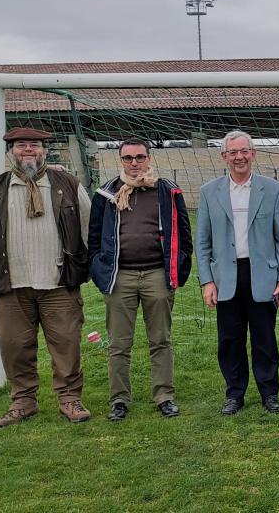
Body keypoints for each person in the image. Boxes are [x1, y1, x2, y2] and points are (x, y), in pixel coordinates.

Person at [0, 128, 92, 427]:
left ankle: (70, 399)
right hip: (11, 284)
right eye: (21, 145)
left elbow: (90, 229)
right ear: (11, 151)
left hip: (59, 282)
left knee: (67, 345)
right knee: (14, 346)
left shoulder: (68, 184)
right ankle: (23, 402)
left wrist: (95, 267)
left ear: (44, 150)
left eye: (34, 145)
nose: (28, 150)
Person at [89, 138, 193, 421]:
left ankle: (164, 396)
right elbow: (94, 237)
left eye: (139, 157)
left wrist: (178, 270)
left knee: (160, 340)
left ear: (149, 158)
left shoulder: (167, 190)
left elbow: (184, 234)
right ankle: (119, 400)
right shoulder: (106, 193)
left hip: (156, 275)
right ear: (120, 160)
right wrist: (100, 272)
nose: (134, 163)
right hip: (119, 278)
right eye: (128, 158)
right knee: (119, 344)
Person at [196, 130, 279, 415]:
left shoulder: (273, 190)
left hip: (262, 275)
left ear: (253, 154)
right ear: (224, 157)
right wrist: (207, 280)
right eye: (233, 152)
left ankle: (269, 393)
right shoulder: (209, 192)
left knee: (265, 338)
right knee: (229, 340)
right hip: (226, 277)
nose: (239, 157)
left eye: (244, 151)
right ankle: (234, 393)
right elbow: (203, 242)